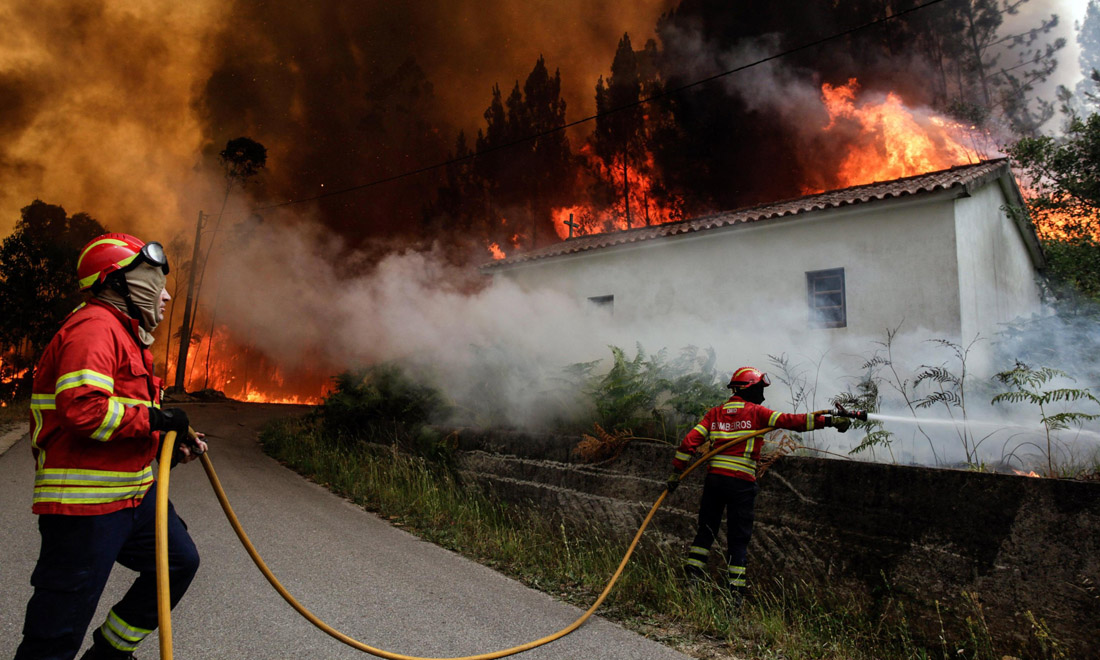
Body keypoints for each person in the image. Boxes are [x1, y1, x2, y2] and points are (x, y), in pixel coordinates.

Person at [14, 233, 208, 660]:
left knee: (177, 563)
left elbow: (124, 422)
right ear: (118, 282)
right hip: (86, 510)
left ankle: (108, 655)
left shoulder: (126, 335)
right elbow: (84, 411)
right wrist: (159, 418)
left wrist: (167, 447)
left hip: (133, 499)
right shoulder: (94, 328)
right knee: (57, 631)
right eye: (155, 280)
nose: (166, 294)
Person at [667, 366, 849, 604]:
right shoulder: (757, 412)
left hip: (715, 482)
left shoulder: (715, 413)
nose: (763, 395)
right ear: (750, 389)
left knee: (706, 530)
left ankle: (692, 581)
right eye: (761, 389)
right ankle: (734, 597)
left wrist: (675, 474)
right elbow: (792, 421)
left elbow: (688, 442)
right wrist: (831, 422)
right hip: (740, 484)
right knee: (738, 539)